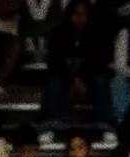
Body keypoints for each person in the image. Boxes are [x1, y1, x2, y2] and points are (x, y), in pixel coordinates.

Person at [45, 0, 112, 129]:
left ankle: (105, 124)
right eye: (76, 14)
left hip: (89, 79)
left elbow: (99, 62)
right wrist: (73, 81)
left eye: (83, 15)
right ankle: (53, 124)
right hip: (65, 78)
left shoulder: (98, 35)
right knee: (54, 82)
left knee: (102, 81)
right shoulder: (57, 33)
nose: (79, 18)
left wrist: (82, 80)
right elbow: (55, 62)